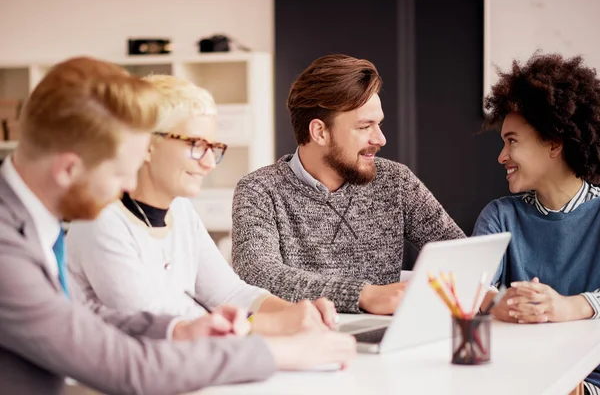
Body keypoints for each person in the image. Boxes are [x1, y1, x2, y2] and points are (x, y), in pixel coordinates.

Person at [0, 56, 356, 395]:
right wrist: (280, 353)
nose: (127, 188)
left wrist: (181, 330)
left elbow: (77, 320)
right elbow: (130, 368)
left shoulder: (29, 224)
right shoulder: (7, 250)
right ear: (69, 169)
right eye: (119, 175)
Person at [66, 74, 337, 335]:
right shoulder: (99, 220)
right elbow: (159, 327)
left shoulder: (180, 209)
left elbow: (228, 293)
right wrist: (276, 325)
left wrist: (298, 312)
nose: (208, 162)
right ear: (146, 143)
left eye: (213, 147)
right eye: (195, 144)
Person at [231, 54, 465, 315]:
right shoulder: (259, 190)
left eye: (379, 124)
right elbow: (258, 272)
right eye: (365, 126)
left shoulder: (396, 180)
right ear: (320, 132)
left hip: (386, 337)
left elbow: (461, 255)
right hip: (307, 340)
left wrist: (493, 297)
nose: (381, 139)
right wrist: (364, 295)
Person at [473, 53, 600, 394]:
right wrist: (504, 304)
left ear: (554, 144)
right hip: (518, 375)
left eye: (512, 141)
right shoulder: (499, 216)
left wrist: (568, 306)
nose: (502, 156)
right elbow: (473, 286)